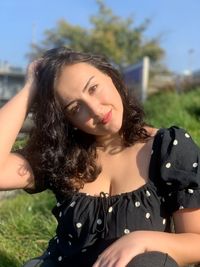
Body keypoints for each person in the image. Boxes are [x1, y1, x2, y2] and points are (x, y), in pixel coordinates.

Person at [0, 47, 200, 267]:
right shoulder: (62, 156)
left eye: (93, 88)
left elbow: (196, 242)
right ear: (67, 120)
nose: (95, 109)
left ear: (110, 76)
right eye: (75, 108)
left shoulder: (168, 147)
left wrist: (141, 240)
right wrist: (31, 89)